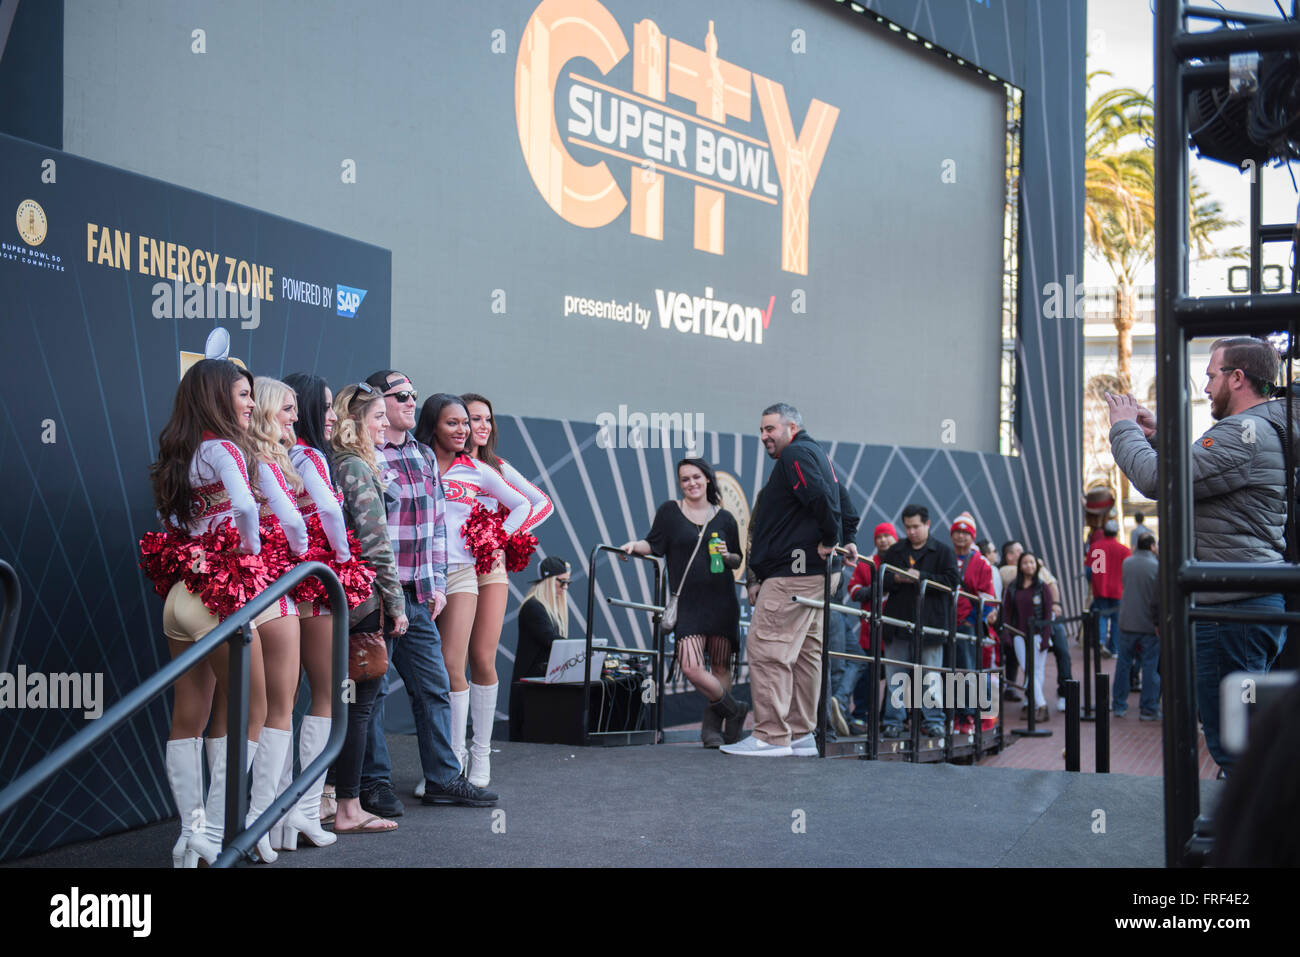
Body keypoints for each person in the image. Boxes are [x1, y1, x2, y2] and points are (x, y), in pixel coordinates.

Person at [1107, 336, 1292, 773]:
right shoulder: (1258, 430)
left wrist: (1123, 428)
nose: (1206, 388)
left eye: (1211, 376)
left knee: (1234, 745)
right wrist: (1158, 436)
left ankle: (1249, 839)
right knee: (1238, 739)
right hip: (1239, 606)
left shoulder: (1245, 435)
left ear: (1238, 378)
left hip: (1232, 611)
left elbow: (1158, 480)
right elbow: (1194, 474)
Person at [142, 359, 271, 867]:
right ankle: (215, 834)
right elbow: (245, 505)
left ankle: (190, 836)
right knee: (251, 712)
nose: (250, 404)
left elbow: (170, 521)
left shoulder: (178, 453)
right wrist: (250, 551)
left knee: (189, 718)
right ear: (217, 398)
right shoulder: (223, 449)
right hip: (222, 598)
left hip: (181, 597)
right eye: (242, 394)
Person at [361, 371, 497, 809]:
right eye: (400, 396)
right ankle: (374, 784)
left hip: (419, 597)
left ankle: (442, 777)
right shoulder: (365, 455)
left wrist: (437, 584)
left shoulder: (421, 455)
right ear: (377, 404)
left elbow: (437, 525)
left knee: (435, 687)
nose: (409, 401)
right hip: (379, 598)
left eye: (413, 395)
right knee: (373, 693)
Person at [722, 403, 858, 757]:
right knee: (805, 654)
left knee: (766, 647)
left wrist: (832, 537)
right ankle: (800, 734)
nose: (765, 436)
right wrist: (846, 537)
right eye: (762, 430)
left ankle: (770, 736)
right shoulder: (818, 454)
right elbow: (844, 501)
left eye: (771, 429)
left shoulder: (796, 454)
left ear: (792, 428)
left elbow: (821, 498)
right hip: (816, 575)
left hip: (794, 574)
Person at [273, 372, 373, 849]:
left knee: (278, 705)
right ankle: (303, 813)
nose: (334, 414)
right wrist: (345, 561)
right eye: (327, 406)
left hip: (289, 586)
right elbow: (332, 514)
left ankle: (278, 819)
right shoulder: (310, 455)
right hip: (315, 585)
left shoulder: (279, 454)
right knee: (325, 697)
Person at [413, 393, 530, 788]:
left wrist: (497, 538)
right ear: (433, 425)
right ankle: (447, 763)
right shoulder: (415, 461)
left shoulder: (479, 470)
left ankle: (471, 757)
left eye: (473, 422)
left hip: (467, 571)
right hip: (420, 574)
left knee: (459, 660)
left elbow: (528, 505)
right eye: (458, 422)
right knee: (434, 669)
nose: (466, 430)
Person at [459, 392, 552, 784]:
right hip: (450, 566)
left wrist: (499, 535)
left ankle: (481, 755)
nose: (481, 426)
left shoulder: (496, 466)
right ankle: (451, 759)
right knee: (449, 663)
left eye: (486, 420)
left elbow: (541, 504)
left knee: (481, 656)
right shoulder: (441, 463)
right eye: (472, 419)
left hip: (489, 565)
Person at [621, 458, 746, 747]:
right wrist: (632, 546)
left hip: (721, 601)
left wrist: (728, 558)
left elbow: (738, 558)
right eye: (685, 479)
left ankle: (711, 729)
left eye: (696, 477)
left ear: (708, 480)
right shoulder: (669, 512)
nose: (691, 483)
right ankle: (735, 709)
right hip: (687, 603)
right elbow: (653, 544)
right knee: (690, 667)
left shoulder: (725, 518)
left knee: (720, 667)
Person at [328, 383, 403, 835]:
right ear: (355, 422)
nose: (385, 425)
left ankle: (330, 801)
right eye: (378, 417)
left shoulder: (338, 463)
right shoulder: (354, 466)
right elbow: (377, 546)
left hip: (342, 601)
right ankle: (348, 808)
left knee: (339, 703)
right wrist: (396, 604)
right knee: (358, 706)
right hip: (360, 601)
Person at [879, 505, 960, 739]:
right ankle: (893, 720)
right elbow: (881, 578)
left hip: (930, 623)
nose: (912, 531)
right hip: (897, 622)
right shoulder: (896, 550)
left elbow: (953, 582)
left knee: (930, 676)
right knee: (896, 676)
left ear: (927, 524)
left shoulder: (942, 551)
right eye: (907, 527)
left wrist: (921, 577)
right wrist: (896, 578)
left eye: (916, 526)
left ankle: (934, 720)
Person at [837, 522, 897, 736]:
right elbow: (853, 591)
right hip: (870, 633)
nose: (883, 540)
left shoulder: (901, 563)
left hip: (896, 635)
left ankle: (889, 719)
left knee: (895, 678)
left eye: (887, 536)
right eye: (879, 537)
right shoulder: (867, 563)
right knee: (867, 678)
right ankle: (861, 715)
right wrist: (878, 587)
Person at [508, 557, 571, 739]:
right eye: (563, 582)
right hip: (531, 688)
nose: (565, 587)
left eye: (568, 582)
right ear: (550, 581)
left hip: (538, 685)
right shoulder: (533, 607)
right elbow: (550, 640)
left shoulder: (543, 607)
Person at [993, 551, 1053, 722]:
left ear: (1037, 565)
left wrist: (1046, 637)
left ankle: (1032, 703)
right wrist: (1006, 634)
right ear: (1020, 566)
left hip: (1038, 635)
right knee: (1028, 669)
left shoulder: (1043, 587)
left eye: (1032, 563)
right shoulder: (1013, 587)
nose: (1029, 566)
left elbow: (1048, 615)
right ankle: (1041, 705)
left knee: (1037, 671)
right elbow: (1006, 612)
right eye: (1025, 563)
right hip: (1019, 634)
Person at [950, 512, 995, 734]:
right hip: (946, 623)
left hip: (968, 625)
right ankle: (960, 716)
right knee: (952, 672)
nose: (960, 536)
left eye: (965, 533)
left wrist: (972, 620)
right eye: (957, 532)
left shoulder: (981, 562)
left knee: (971, 672)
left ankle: (981, 717)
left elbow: (989, 597)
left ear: (972, 536)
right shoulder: (946, 556)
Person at [1114, 533, 1160, 720]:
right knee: (1150, 666)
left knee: (1123, 664)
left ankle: (1119, 704)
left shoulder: (1127, 563)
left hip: (1127, 620)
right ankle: (1148, 708)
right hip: (1149, 623)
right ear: (1151, 546)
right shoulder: (1157, 567)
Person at [1087, 519, 1130, 658]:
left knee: (1101, 616)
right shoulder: (1124, 550)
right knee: (1117, 620)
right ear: (1116, 533)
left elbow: (1090, 570)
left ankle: (1100, 641)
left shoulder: (1095, 547)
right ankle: (1115, 648)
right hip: (1118, 589)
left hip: (1101, 588)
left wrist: (1093, 583)